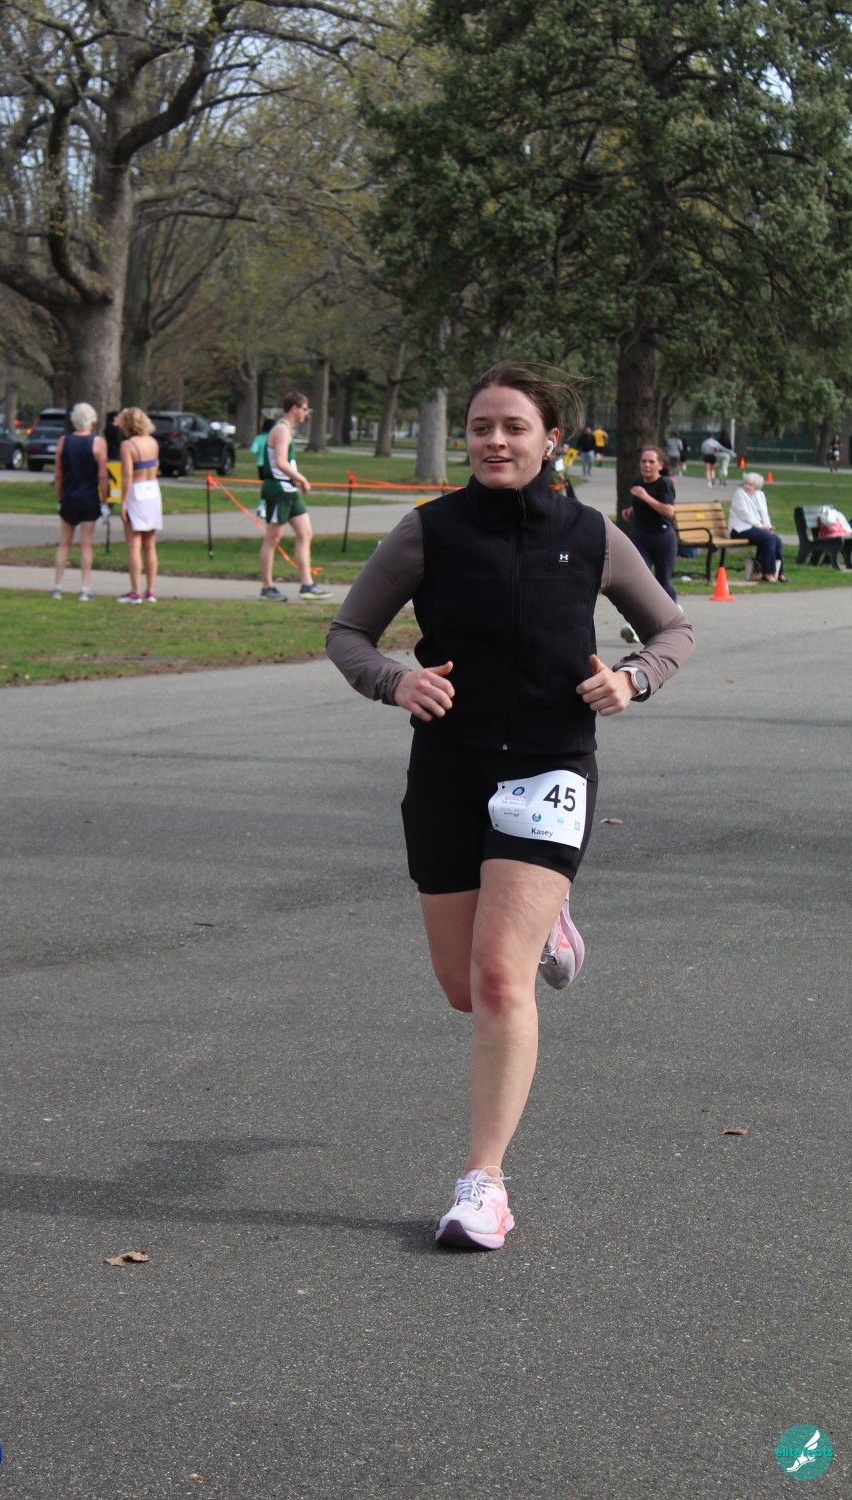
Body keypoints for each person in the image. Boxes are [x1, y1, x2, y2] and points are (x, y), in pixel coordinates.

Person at [326, 361, 694, 1251]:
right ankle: (547, 922)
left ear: (551, 439)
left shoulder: (592, 534)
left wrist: (633, 678)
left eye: (515, 426)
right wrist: (396, 682)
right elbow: (348, 634)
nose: (495, 440)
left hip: (549, 767)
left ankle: (482, 1184)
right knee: (463, 991)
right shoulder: (428, 532)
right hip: (449, 772)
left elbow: (672, 628)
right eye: (481, 426)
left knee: (499, 979)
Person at [258, 392, 332, 601]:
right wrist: (302, 479)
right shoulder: (282, 430)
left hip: (289, 490)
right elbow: (280, 462)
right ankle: (267, 586)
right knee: (273, 538)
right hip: (278, 489)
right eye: (304, 409)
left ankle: (307, 585)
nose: (306, 413)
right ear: (294, 409)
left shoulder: (286, 430)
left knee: (305, 533)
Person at [51, 403, 109, 601]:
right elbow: (102, 475)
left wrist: (59, 498)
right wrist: (105, 500)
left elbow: (58, 474)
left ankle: (57, 586)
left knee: (64, 542)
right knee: (86, 544)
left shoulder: (63, 441)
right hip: (89, 498)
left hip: (69, 496)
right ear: (91, 421)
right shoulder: (98, 443)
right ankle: (84, 588)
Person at [620, 445, 679, 601]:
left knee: (662, 583)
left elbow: (669, 511)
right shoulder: (638, 482)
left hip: (662, 538)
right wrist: (631, 509)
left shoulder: (664, 483)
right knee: (639, 579)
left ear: (660, 465)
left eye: (651, 462)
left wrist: (645, 497)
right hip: (640, 537)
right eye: (644, 461)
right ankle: (639, 615)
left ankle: (673, 612)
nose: (646, 465)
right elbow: (642, 502)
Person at [116, 407, 162, 603]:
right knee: (150, 545)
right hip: (153, 489)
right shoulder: (153, 442)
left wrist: (123, 501)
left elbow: (127, 475)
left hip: (136, 490)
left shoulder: (128, 445)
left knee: (134, 545)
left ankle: (135, 591)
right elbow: (156, 466)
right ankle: (150, 590)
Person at [728, 472, 786, 582]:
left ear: (757, 486)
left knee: (776, 540)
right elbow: (744, 514)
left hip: (757, 529)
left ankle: (778, 572)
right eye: (746, 483)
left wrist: (768, 527)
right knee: (768, 538)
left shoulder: (760, 495)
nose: (747, 486)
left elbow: (764, 514)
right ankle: (767, 572)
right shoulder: (739, 494)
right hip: (740, 529)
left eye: (750, 484)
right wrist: (761, 526)